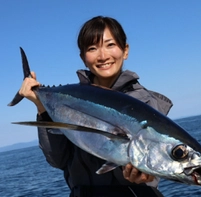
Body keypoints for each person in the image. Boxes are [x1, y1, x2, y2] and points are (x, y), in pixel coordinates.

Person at [19, 16, 173, 197]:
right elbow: (58, 160)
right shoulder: (70, 99)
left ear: (125, 50)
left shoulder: (145, 103)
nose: (103, 56)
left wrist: (147, 175)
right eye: (92, 48)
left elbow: (157, 161)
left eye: (110, 45)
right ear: (83, 58)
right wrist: (41, 106)